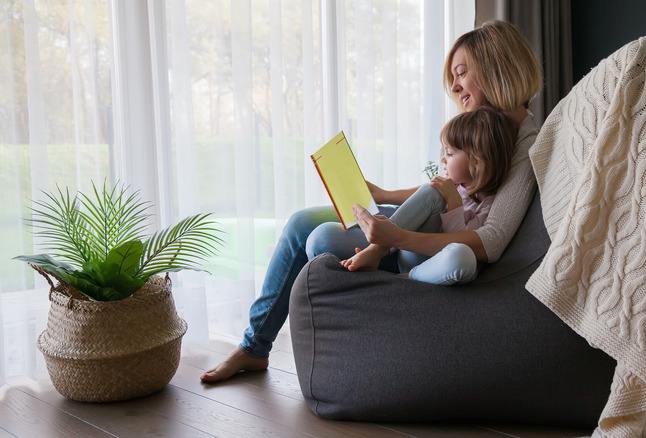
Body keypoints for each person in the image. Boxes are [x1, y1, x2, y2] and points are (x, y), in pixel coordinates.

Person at [200, 20, 542, 383]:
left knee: (318, 239)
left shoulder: (526, 143)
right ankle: (253, 348)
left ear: (495, 68)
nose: (455, 87)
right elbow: (446, 191)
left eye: (461, 74)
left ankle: (373, 252)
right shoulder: (484, 124)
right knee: (303, 222)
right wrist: (381, 195)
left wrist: (393, 239)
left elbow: (492, 239)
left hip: (429, 246)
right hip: (422, 228)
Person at [340, 105, 518, 285]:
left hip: (436, 268)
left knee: (463, 257)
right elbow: (422, 199)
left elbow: (457, 242)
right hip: (413, 253)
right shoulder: (451, 187)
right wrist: (384, 195)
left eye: (449, 153)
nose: (443, 159)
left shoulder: (488, 205)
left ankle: (402, 281)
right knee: (431, 190)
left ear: (477, 161)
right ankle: (376, 250)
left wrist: (454, 202)